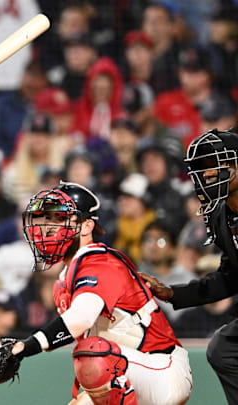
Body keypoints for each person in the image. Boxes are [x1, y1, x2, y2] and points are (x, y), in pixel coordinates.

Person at [0, 182, 192, 405]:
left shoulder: (100, 261)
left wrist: (23, 347)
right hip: (125, 372)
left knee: (94, 356)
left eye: (60, 219)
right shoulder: (65, 279)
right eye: (47, 219)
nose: (49, 227)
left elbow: (80, 320)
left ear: (86, 226)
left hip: (161, 369)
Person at [140, 129, 238, 405]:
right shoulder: (221, 217)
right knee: (223, 348)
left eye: (216, 164)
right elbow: (229, 279)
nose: (207, 174)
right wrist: (172, 293)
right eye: (201, 168)